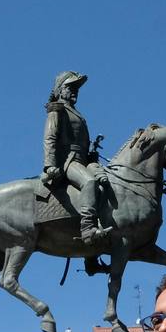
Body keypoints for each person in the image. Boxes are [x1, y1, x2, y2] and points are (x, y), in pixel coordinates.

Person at [42, 70, 110, 243]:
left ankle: (92, 257)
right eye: (70, 87)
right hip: (68, 160)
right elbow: (50, 138)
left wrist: (91, 155)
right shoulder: (56, 109)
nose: (74, 91)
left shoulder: (76, 112)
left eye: (76, 88)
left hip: (83, 160)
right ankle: (87, 229)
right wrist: (50, 165)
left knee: (107, 183)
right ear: (59, 89)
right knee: (90, 182)